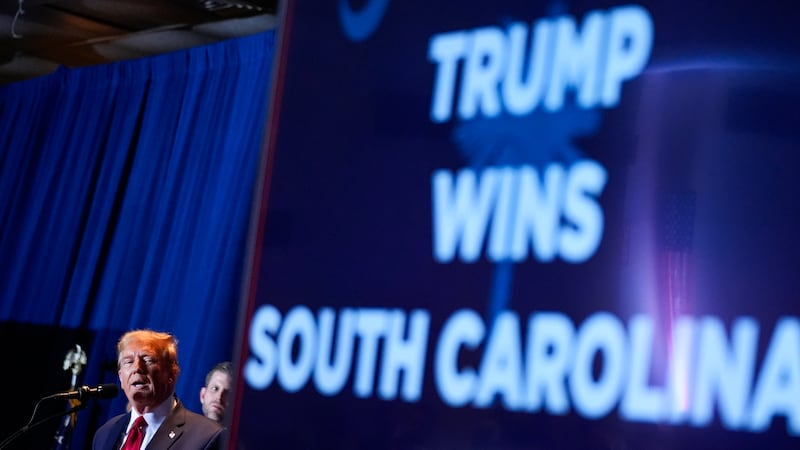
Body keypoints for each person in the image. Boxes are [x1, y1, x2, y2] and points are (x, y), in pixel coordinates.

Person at [92, 329, 225, 450]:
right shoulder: (104, 434)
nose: (137, 368)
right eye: (129, 362)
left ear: (172, 374)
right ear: (121, 377)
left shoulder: (207, 436)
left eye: (148, 360)